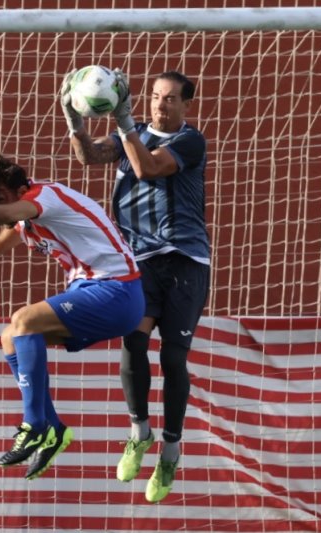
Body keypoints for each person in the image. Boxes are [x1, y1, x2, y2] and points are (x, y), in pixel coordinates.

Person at [0, 154, 144, 480]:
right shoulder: (27, 210)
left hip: (117, 292)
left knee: (23, 319)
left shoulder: (43, 197)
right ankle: (54, 429)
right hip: (98, 292)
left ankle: (34, 426)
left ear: (20, 189)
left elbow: (8, 214)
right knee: (11, 336)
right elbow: (13, 225)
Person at [61, 69, 209, 502]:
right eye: (156, 97)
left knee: (173, 358)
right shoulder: (131, 132)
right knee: (133, 343)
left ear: (185, 106)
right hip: (137, 261)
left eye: (170, 99)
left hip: (183, 259)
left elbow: (147, 169)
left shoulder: (188, 141)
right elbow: (89, 156)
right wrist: (73, 119)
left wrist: (126, 125)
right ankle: (138, 431)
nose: (161, 105)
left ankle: (170, 450)